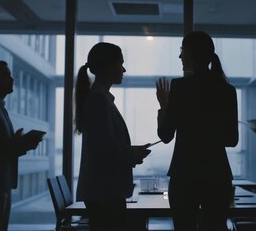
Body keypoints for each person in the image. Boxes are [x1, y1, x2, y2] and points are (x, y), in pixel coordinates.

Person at [156, 31, 239, 231]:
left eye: (182, 51)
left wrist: (164, 106)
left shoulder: (180, 87)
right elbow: (232, 139)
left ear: (191, 54)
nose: (179, 56)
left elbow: (165, 136)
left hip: (184, 175)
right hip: (217, 175)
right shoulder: (227, 90)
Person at [74, 42, 151, 231]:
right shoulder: (99, 101)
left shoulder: (100, 99)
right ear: (108, 66)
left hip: (103, 191)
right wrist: (133, 153)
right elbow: (107, 149)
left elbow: (106, 145)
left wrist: (132, 152)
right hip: (105, 192)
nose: (123, 69)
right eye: (120, 63)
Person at [0, 60, 44, 231]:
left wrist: (17, 142)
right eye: (6, 75)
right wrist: (22, 143)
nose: (12, 79)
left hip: (1, 184)